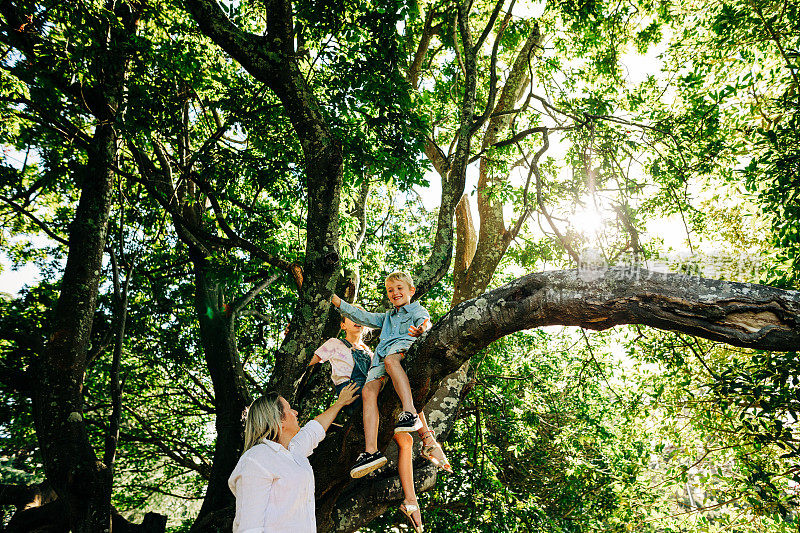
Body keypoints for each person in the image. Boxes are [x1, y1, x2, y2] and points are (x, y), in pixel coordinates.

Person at [310, 313, 447, 532]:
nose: (356, 320)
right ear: (343, 324)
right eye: (349, 316)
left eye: (359, 317)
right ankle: (428, 442)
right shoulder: (335, 344)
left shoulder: (370, 351)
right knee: (403, 428)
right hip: (355, 396)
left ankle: (411, 500)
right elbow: (308, 361)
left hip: (373, 396)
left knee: (406, 437)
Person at [330, 272, 452, 481]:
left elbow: (425, 322)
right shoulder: (386, 317)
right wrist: (337, 302)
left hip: (401, 349)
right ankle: (371, 452)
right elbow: (363, 316)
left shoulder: (416, 309)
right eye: (390, 290)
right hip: (381, 357)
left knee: (391, 361)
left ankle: (410, 412)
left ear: (411, 291)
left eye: (399, 288)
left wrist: (422, 330)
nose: (395, 293)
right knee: (368, 391)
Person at [228, 383, 359, 533]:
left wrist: (340, 403)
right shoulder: (256, 459)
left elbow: (314, 430)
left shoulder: (293, 453)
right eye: (289, 409)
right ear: (279, 419)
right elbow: (249, 527)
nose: (295, 412)